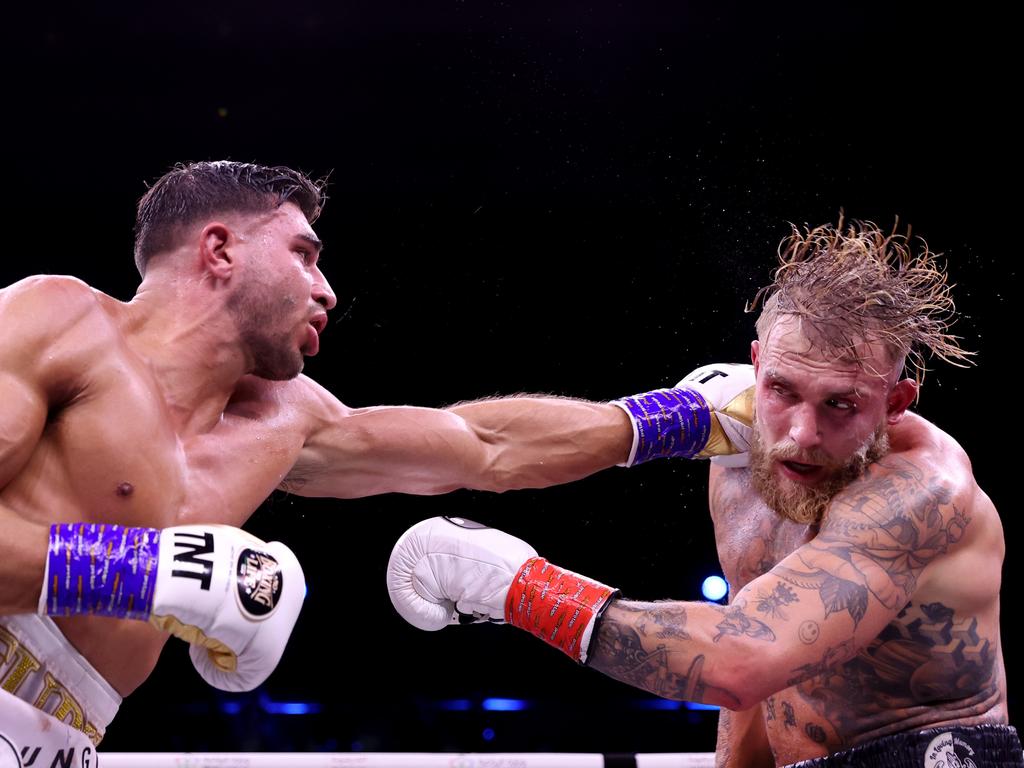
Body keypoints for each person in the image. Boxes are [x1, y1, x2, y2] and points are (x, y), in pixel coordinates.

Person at [0, 159, 742, 762]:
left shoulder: (287, 420)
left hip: (70, 742)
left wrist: (683, 419)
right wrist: (141, 572)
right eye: (303, 254)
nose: (326, 288)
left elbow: (486, 447)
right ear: (220, 249)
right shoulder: (61, 320)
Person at [388, 221, 1021, 767]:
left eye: (841, 404)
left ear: (895, 402)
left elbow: (741, 661)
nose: (802, 434)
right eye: (782, 390)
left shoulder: (921, 492)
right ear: (756, 364)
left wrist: (523, 590)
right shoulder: (744, 449)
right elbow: (754, 690)